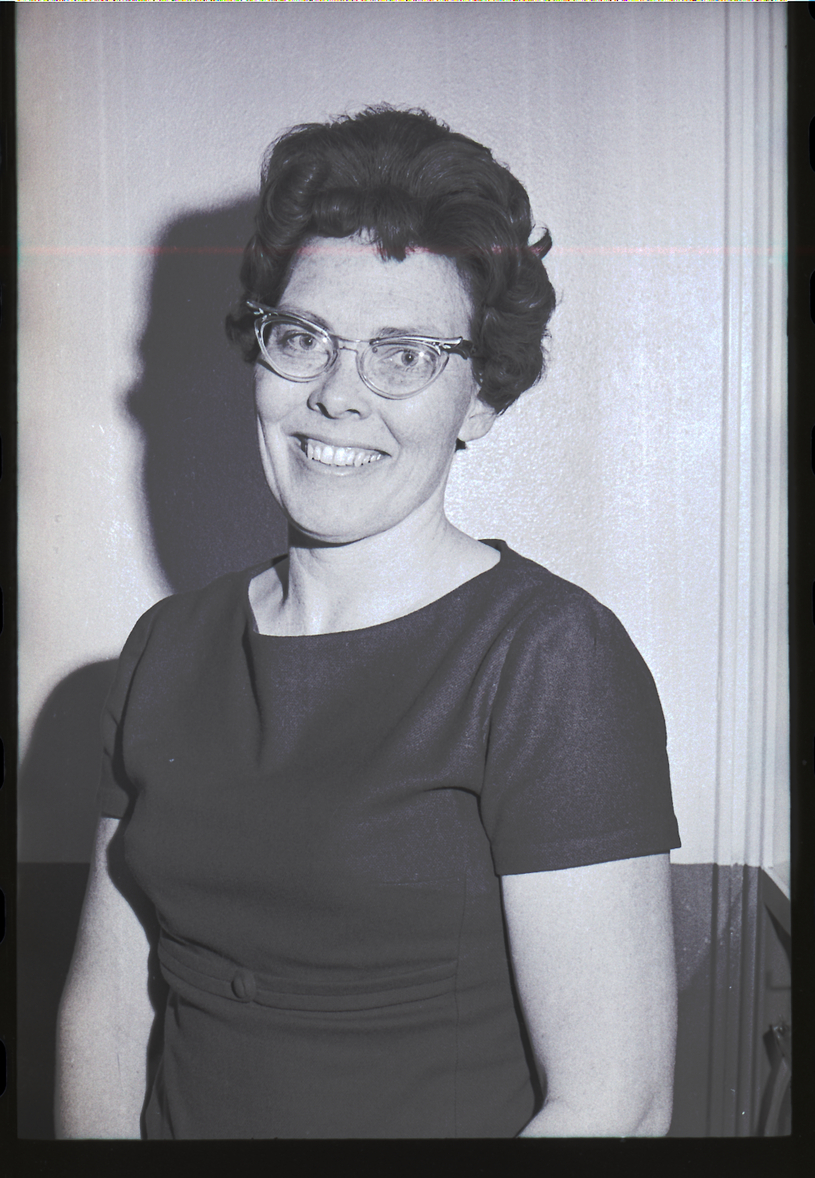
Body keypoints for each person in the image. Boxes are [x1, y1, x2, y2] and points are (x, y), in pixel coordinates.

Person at [55, 107, 681, 1140]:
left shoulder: (548, 659)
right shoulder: (164, 646)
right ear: (260, 353)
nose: (337, 397)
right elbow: (109, 1015)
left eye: (402, 355)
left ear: (478, 399)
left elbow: (615, 1103)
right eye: (304, 339)